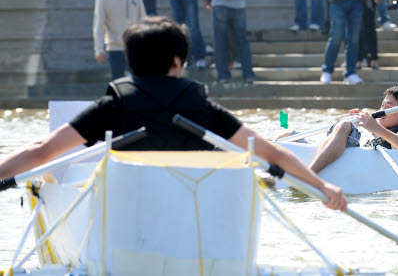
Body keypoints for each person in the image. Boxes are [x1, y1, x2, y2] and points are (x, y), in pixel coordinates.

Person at [0, 17, 347, 213]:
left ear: (132, 63)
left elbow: (42, 152)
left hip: (126, 212)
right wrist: (323, 185)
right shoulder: (203, 107)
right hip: (192, 214)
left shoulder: (114, 105)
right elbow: (273, 152)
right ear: (178, 62)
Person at [309, 86, 398, 174]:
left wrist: (377, 128)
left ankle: (309, 174)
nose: (382, 110)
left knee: (345, 125)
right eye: (382, 106)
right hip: (355, 165)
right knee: (290, 133)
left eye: (388, 107)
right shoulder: (377, 131)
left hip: (366, 172)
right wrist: (356, 124)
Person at [93, 0, 147, 80]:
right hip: (115, 47)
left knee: (140, 79)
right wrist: (99, 49)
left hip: (135, 46)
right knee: (117, 81)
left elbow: (143, 18)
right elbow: (99, 26)